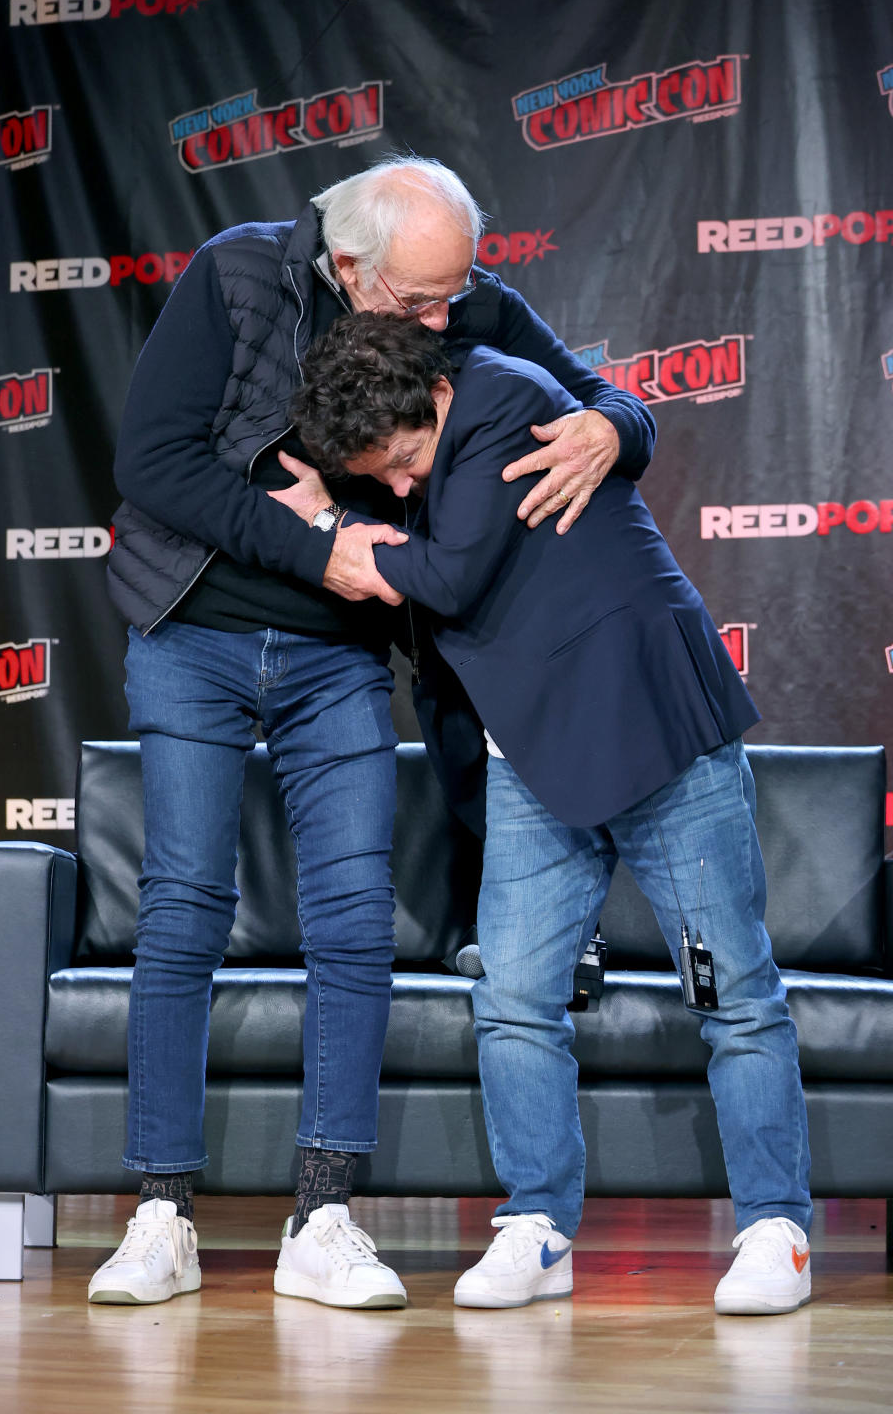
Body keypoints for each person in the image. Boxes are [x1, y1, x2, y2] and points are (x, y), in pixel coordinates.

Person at [90, 155, 656, 1309]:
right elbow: (153, 463)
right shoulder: (239, 277)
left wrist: (614, 431)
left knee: (353, 919)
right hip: (190, 631)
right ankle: (161, 1216)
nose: (447, 322)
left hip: (340, 653)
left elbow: (606, 399)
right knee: (182, 905)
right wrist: (320, 546)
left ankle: (326, 1216)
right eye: (417, 305)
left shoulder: (459, 295)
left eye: (456, 296)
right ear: (349, 265)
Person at [270, 311, 813, 1317]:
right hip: (533, 755)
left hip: (657, 738)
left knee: (733, 990)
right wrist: (352, 499)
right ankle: (538, 1225)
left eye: (401, 462)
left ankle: (775, 1227)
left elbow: (444, 576)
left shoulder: (505, 400)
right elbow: (411, 533)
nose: (395, 486)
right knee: (515, 1000)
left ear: (434, 397)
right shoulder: (422, 435)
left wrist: (324, 528)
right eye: (379, 474)